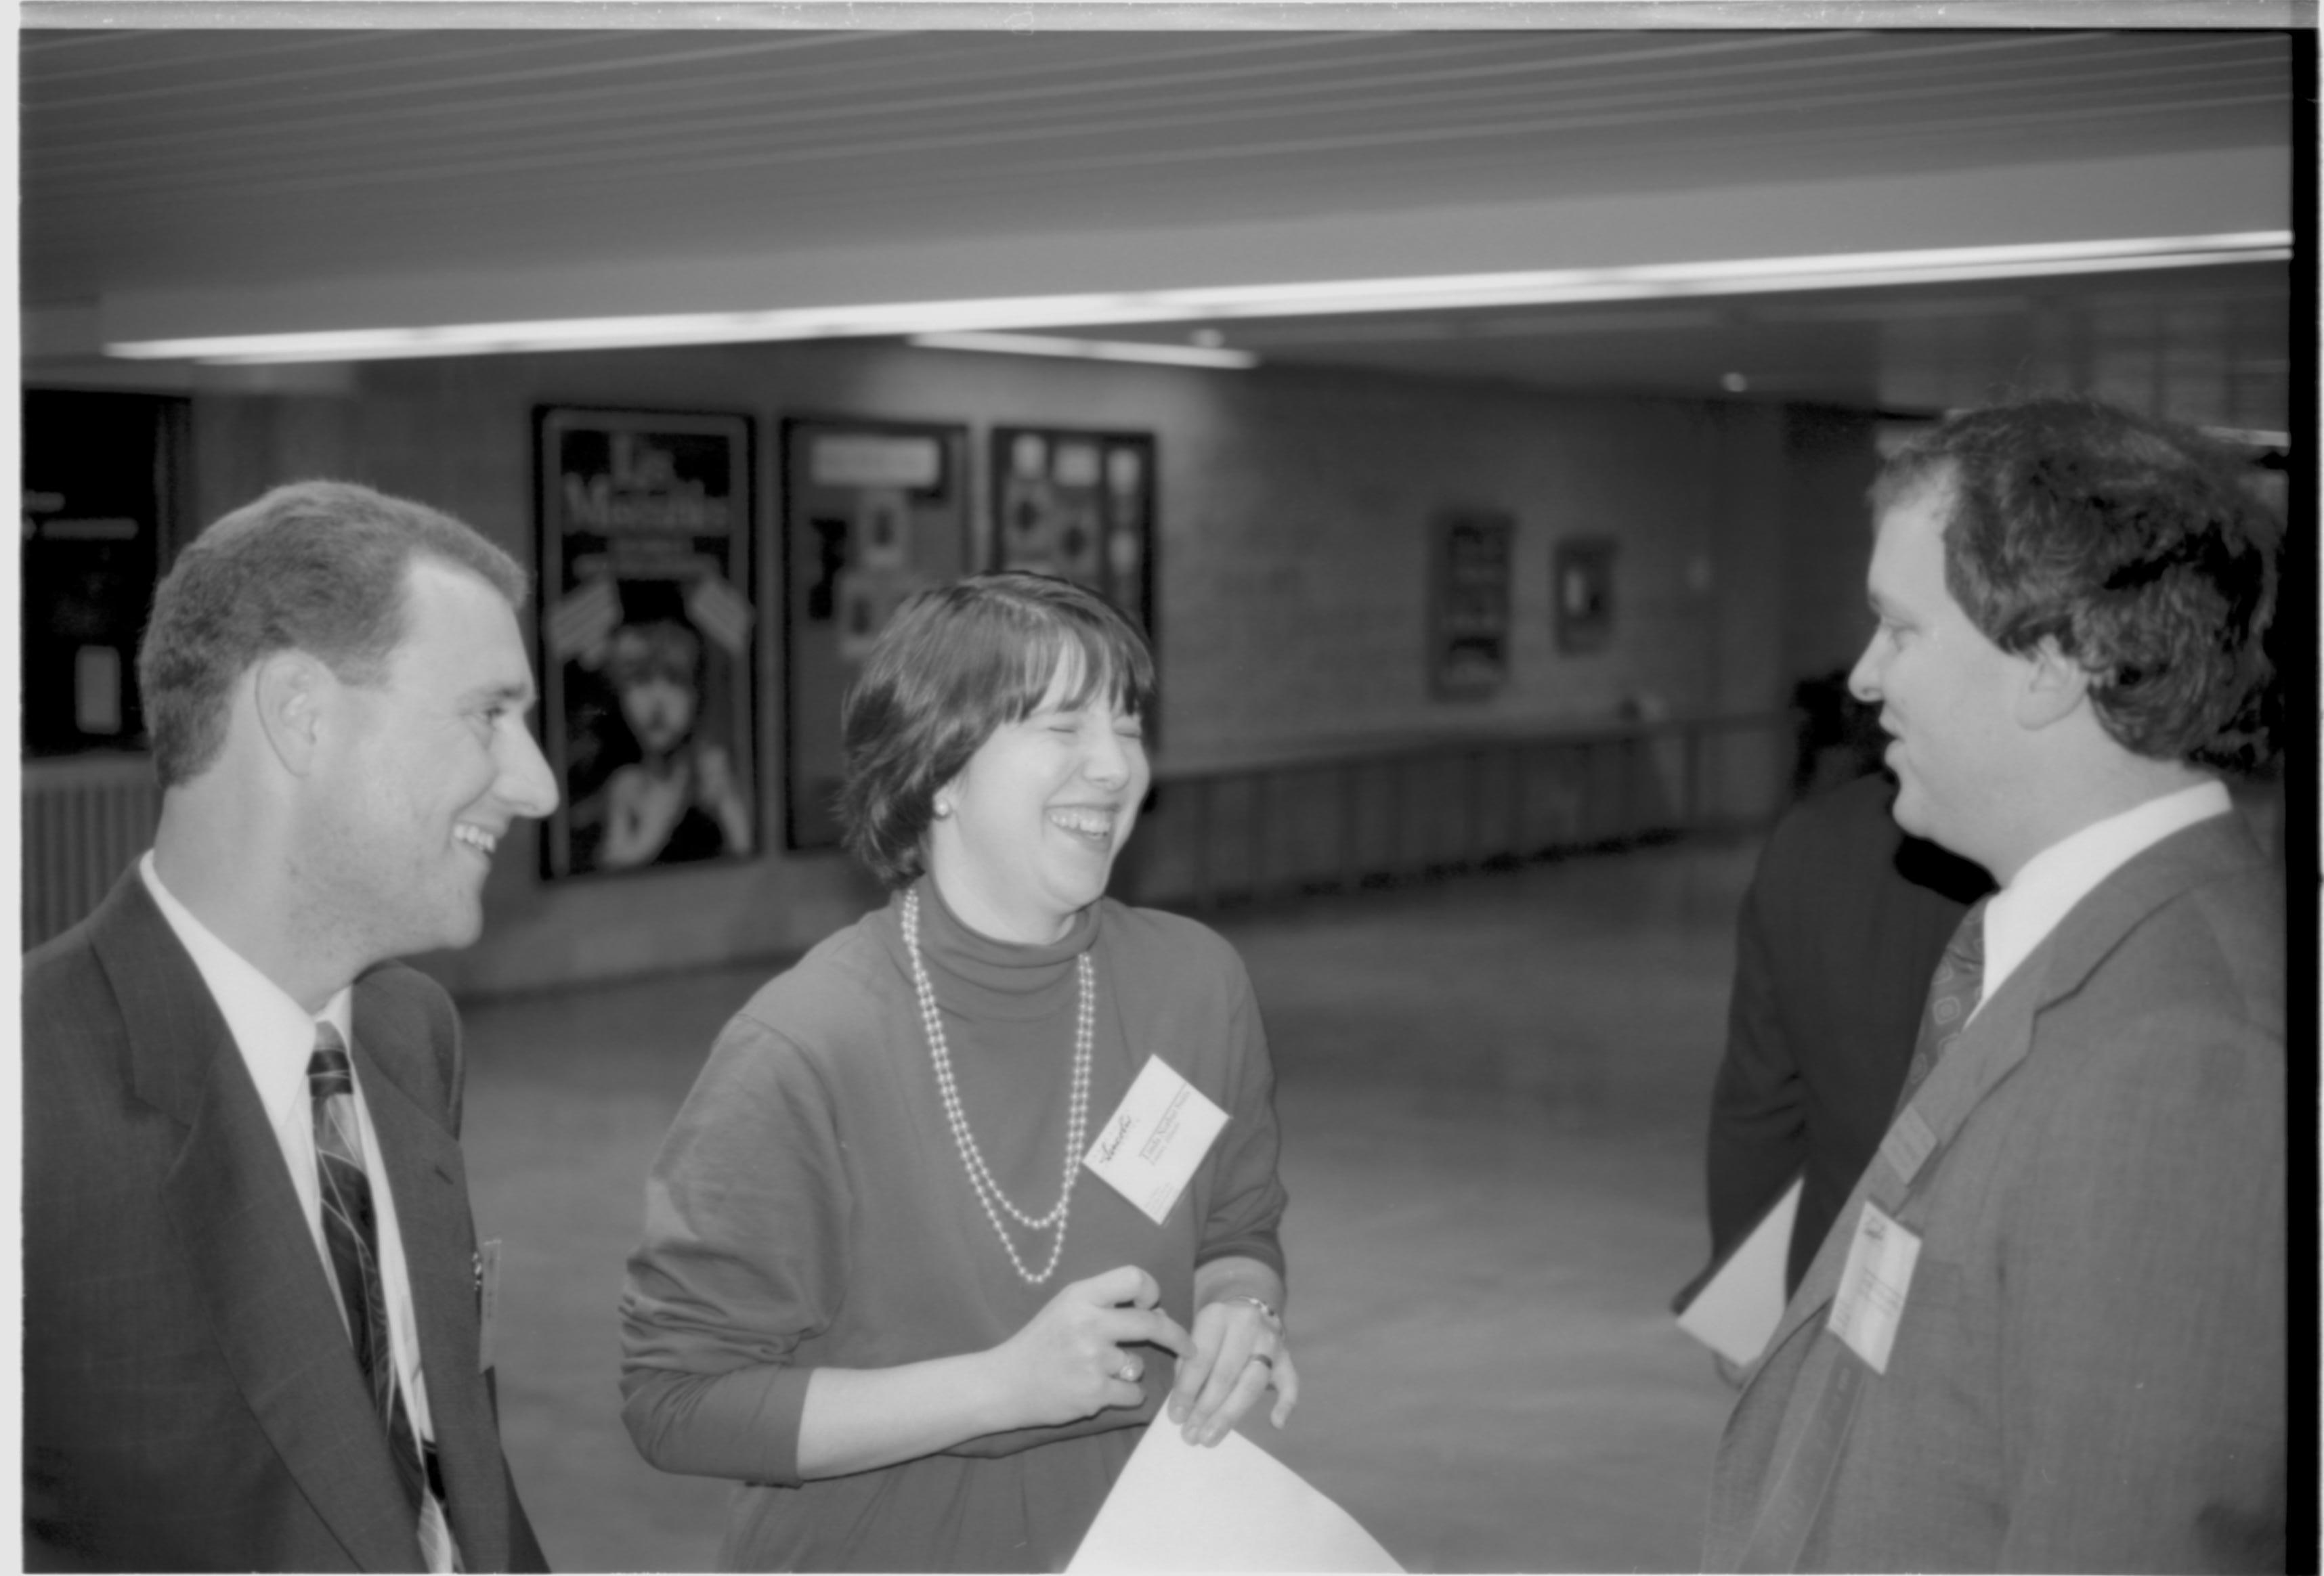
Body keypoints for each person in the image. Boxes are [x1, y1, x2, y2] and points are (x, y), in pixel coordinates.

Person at [1702, 397, 2285, 1571]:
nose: (1863, 678)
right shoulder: (2055, 948)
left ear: (2053, 663)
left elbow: (2124, 1535)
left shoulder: (2183, 1057)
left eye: (1900, 630)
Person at [620, 571, 1295, 1572]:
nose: (1114, 767)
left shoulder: (1196, 986)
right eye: (1063, 727)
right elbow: (677, 1401)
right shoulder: (804, 1047)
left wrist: (1245, 1306)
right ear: (940, 769)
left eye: (1128, 724)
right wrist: (1002, 1388)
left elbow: (1237, 1228)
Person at [24, 481, 558, 1572]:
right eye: (489, 715)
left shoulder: (413, 1035)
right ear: (301, 714)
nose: (539, 784)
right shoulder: (28, 1093)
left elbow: (447, 1463)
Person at [1705, 770, 1992, 1303]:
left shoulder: (1817, 834)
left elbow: (1758, 1101)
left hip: (1836, 1293)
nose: (1865, 683)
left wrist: (1741, 1303)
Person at [597, 616, 752, 869]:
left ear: (697, 694)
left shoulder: (709, 774)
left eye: (675, 681)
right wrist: (658, 820)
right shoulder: (626, 787)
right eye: (641, 681)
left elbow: (749, 860)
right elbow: (611, 870)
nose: (657, 702)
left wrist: (726, 801)